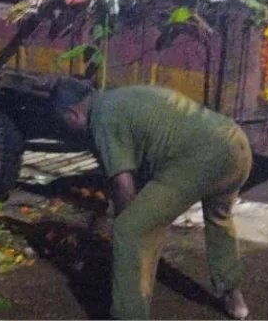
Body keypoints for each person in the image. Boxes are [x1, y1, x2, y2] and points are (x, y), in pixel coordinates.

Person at [50, 79, 252, 320]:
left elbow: (123, 184)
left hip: (200, 160)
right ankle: (234, 297)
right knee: (219, 218)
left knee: (129, 230)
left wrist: (131, 226)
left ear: (71, 113)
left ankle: (129, 316)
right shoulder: (120, 97)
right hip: (236, 145)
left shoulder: (102, 118)